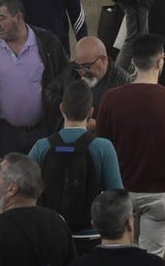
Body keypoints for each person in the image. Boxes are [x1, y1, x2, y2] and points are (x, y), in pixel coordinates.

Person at [96, 34, 165, 256]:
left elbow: (103, 146)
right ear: (161, 60)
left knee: (119, 256)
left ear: (132, 61)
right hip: (160, 193)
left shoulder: (111, 99)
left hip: (120, 191)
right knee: (153, 258)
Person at [29, 81, 123, 249]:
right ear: (91, 111)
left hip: (49, 233)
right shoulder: (103, 148)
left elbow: (26, 190)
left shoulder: (41, 147)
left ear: (62, 109)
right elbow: (116, 195)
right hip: (90, 236)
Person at [0, 0, 68, 157]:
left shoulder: (47, 42)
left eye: (1, 18)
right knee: (12, 181)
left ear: (19, 17)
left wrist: (65, 124)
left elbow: (66, 82)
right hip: (7, 135)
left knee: (43, 178)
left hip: (45, 131)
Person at [46, 36, 131, 123]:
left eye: (87, 66)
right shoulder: (71, 70)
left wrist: (97, 123)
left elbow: (124, 117)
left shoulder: (122, 81)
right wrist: (69, 107)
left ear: (103, 60)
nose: (82, 72)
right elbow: (49, 92)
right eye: (78, 66)